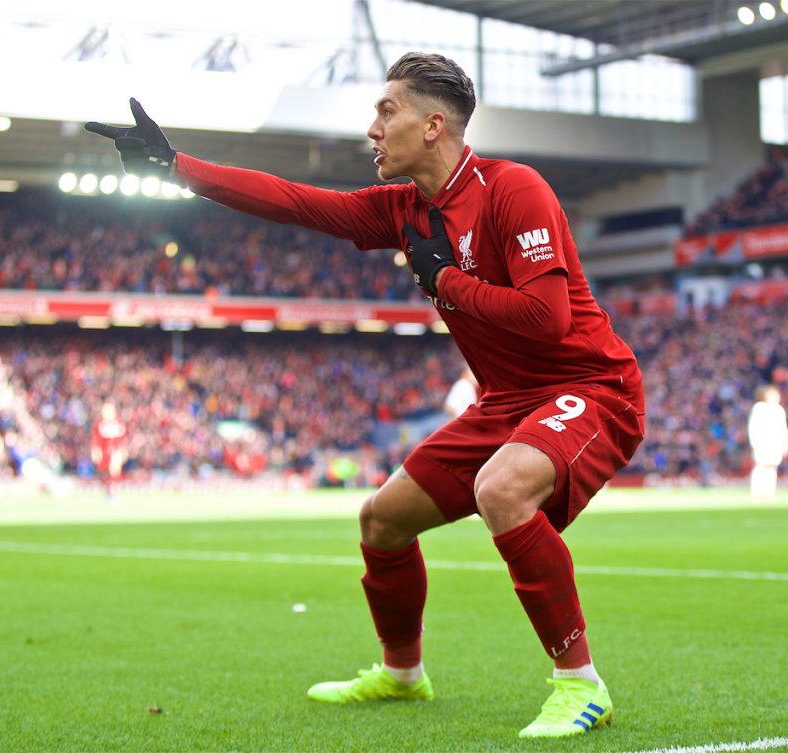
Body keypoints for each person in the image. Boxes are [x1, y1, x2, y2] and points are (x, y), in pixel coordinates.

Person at [86, 51, 645, 739]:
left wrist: (447, 284)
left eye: (387, 111)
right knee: (381, 519)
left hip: (590, 388)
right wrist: (177, 167)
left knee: (501, 490)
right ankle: (403, 674)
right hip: (506, 401)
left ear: (434, 125)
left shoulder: (513, 189)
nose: (373, 129)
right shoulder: (405, 209)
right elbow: (295, 202)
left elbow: (548, 318)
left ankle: (580, 684)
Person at [747, 385, 788, 501]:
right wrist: (754, 441)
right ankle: (756, 492)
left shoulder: (779, 410)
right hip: (762, 442)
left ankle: (769, 492)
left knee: (772, 467)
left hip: (775, 443)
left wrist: (785, 444)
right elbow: (753, 426)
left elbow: (783, 429)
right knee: (760, 466)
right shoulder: (759, 408)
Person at [91, 401, 128, 502]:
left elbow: (123, 438)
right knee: (104, 472)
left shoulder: (119, 422)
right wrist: (95, 450)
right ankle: (108, 491)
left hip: (115, 451)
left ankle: (114, 491)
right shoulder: (99, 423)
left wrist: (123, 450)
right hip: (104, 452)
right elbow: (96, 438)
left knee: (114, 469)